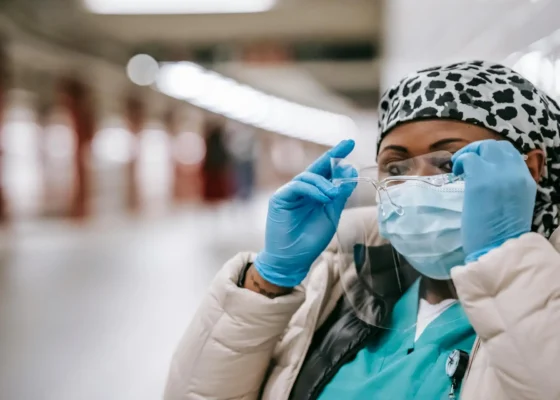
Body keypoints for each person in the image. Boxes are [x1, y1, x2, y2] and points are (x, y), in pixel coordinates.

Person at [164, 61, 560, 400]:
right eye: (396, 168)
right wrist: (268, 282)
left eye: (448, 163)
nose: (415, 187)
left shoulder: (544, 301)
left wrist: (504, 264)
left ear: (529, 169)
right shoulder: (343, 285)